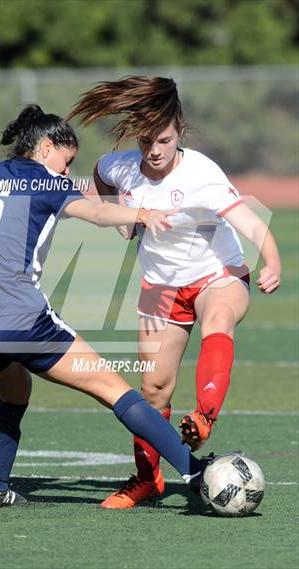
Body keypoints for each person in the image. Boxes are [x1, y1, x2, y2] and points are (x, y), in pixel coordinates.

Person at [0, 104, 213, 510]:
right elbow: (96, 211)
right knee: (116, 390)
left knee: (15, 390)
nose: (66, 171)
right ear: (45, 147)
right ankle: (197, 471)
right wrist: (141, 212)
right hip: (18, 318)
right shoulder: (48, 183)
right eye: (67, 161)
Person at [68, 76, 281, 509]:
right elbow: (101, 174)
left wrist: (272, 261)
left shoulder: (201, 172)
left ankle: (204, 417)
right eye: (147, 141)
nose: (155, 150)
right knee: (153, 390)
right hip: (160, 286)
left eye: (163, 140)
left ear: (179, 130)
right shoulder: (123, 166)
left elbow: (254, 224)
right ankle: (148, 480)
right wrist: (123, 219)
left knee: (218, 320)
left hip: (216, 275)